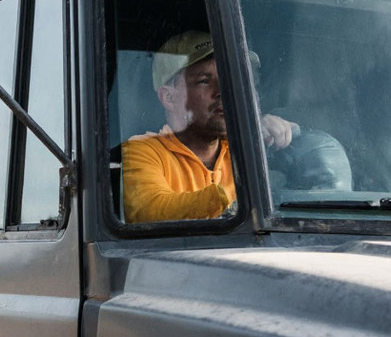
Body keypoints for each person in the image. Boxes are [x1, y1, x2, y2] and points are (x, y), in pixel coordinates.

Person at [121, 31, 313, 223]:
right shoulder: (141, 151)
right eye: (205, 81)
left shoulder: (247, 146)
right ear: (169, 97)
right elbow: (150, 210)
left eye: (229, 80)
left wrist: (278, 136)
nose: (223, 91)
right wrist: (247, 199)